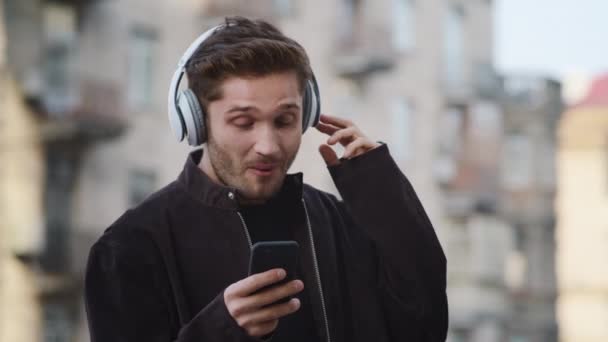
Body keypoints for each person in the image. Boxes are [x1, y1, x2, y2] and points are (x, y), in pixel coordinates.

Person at [84, 16, 448, 342]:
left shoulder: (334, 220)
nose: (268, 146)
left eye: (284, 120)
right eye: (243, 122)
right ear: (196, 121)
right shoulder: (128, 248)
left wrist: (381, 190)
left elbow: (422, 326)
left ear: (307, 116)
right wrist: (220, 330)